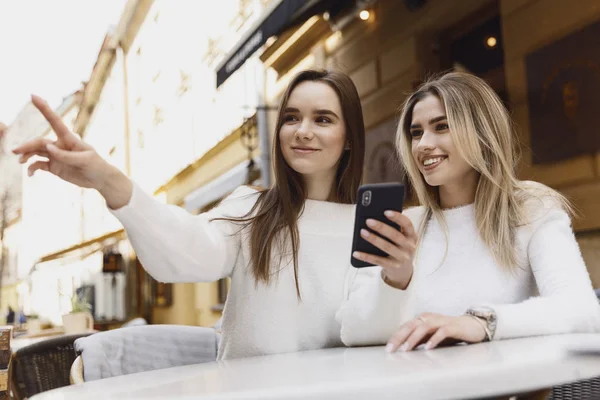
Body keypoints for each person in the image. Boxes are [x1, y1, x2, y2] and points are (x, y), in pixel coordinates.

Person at [13, 69, 366, 360]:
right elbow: (185, 249)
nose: (302, 130)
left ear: (349, 137)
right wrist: (107, 180)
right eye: (291, 117)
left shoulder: (370, 226)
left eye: (323, 119)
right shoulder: (252, 210)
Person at [337, 72, 600, 352]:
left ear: (481, 133)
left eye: (442, 127)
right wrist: (395, 280)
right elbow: (353, 333)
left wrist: (482, 322)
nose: (423, 144)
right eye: (416, 133)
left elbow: (583, 311)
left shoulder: (530, 209)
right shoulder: (406, 226)